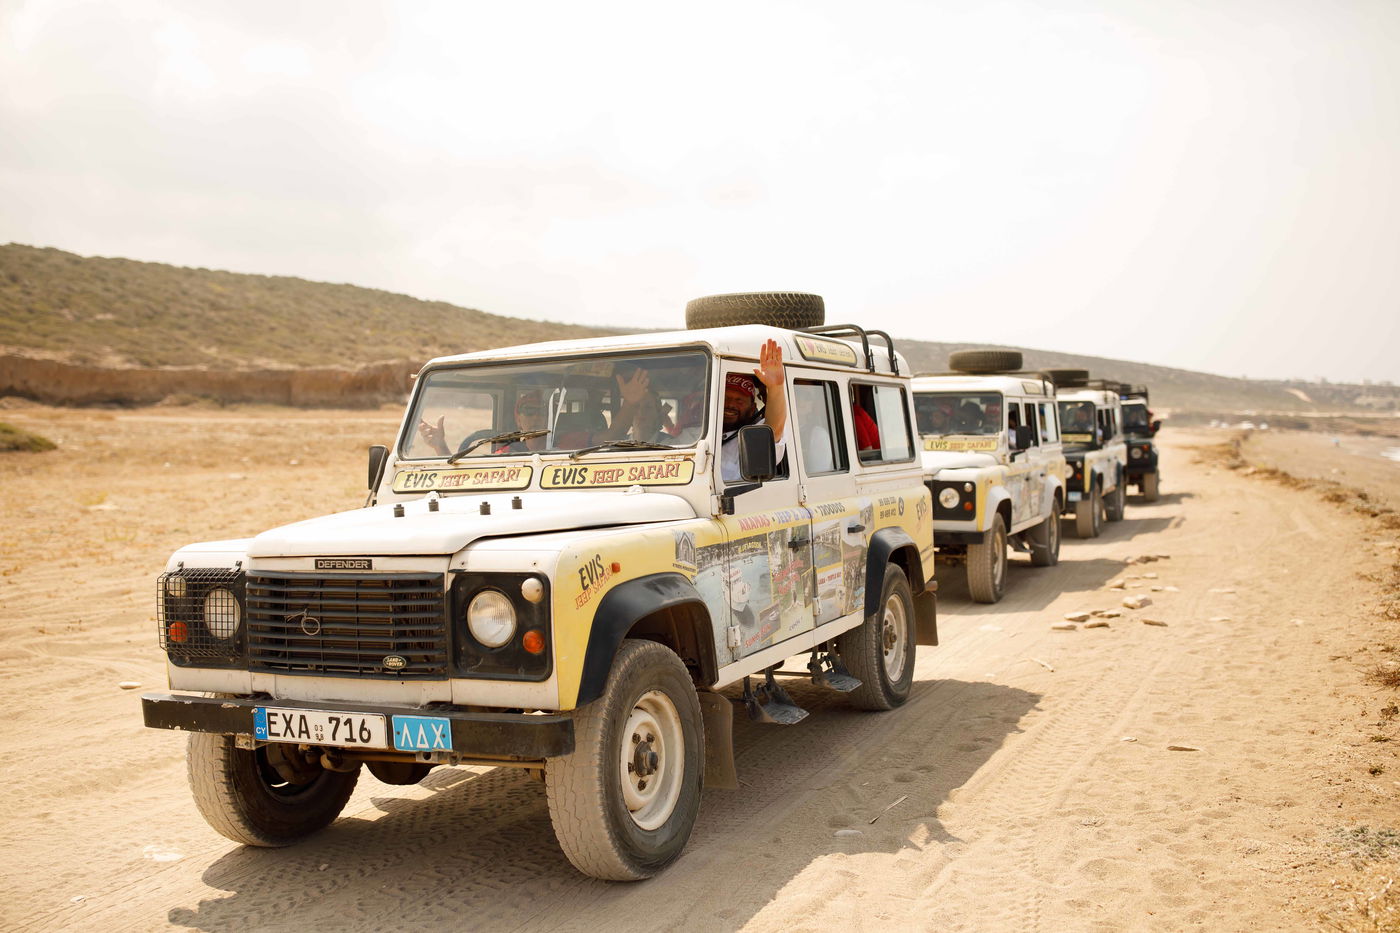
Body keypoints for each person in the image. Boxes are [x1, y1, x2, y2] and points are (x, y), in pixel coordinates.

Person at [721, 338, 789, 483]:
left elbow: (774, 431)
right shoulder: (699, 434)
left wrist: (775, 387)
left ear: (752, 409)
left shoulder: (751, 436)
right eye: (726, 398)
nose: (730, 404)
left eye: (739, 400)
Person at [418, 389, 548, 457]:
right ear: (518, 420)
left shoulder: (558, 450)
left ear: (549, 418)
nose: (536, 416)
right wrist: (440, 446)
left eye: (541, 411)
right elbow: (463, 481)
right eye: (529, 411)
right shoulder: (506, 454)